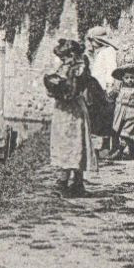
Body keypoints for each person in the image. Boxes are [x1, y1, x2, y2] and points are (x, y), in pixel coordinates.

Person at [44, 38, 97, 196]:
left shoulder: (80, 69)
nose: (63, 61)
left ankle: (71, 183)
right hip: (62, 111)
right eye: (62, 58)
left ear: (73, 55)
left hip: (73, 110)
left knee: (75, 143)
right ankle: (68, 183)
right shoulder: (63, 68)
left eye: (65, 57)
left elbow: (76, 89)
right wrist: (52, 88)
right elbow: (53, 90)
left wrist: (65, 88)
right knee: (65, 143)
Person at [85, 25, 120, 156]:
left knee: (108, 117)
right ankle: (104, 146)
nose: (90, 44)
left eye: (92, 41)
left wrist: (110, 86)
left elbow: (111, 69)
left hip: (105, 89)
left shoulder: (108, 51)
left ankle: (111, 147)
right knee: (100, 117)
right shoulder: (99, 52)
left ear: (99, 40)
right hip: (97, 90)